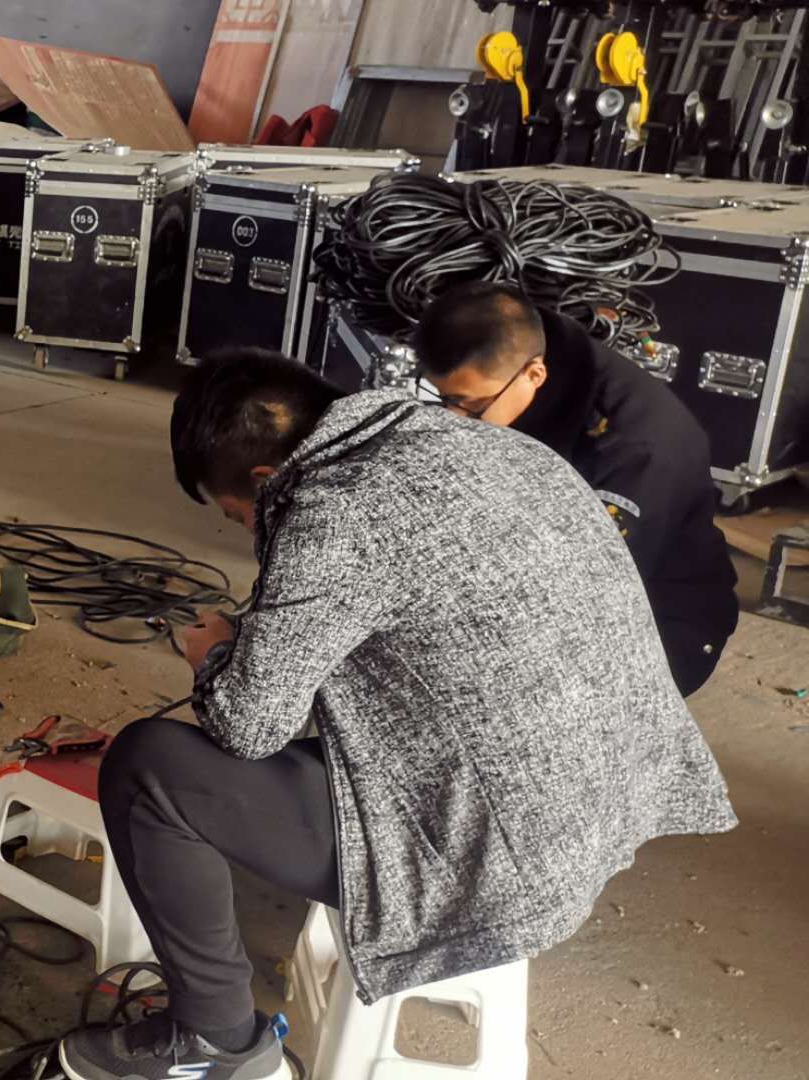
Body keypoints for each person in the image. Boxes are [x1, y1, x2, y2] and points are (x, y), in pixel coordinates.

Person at [57, 350, 737, 1080]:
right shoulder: (498, 445)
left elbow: (250, 726)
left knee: (149, 768)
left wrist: (218, 655)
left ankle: (213, 1042)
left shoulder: (338, 509)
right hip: (606, 802)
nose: (245, 528)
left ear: (265, 477)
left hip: (504, 857)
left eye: (236, 514)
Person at [414, 283, 738, 694]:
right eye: (442, 399)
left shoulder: (633, 450)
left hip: (655, 622)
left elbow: (582, 592)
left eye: (471, 406)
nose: (454, 419)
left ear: (534, 375)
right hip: (554, 562)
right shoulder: (519, 351)